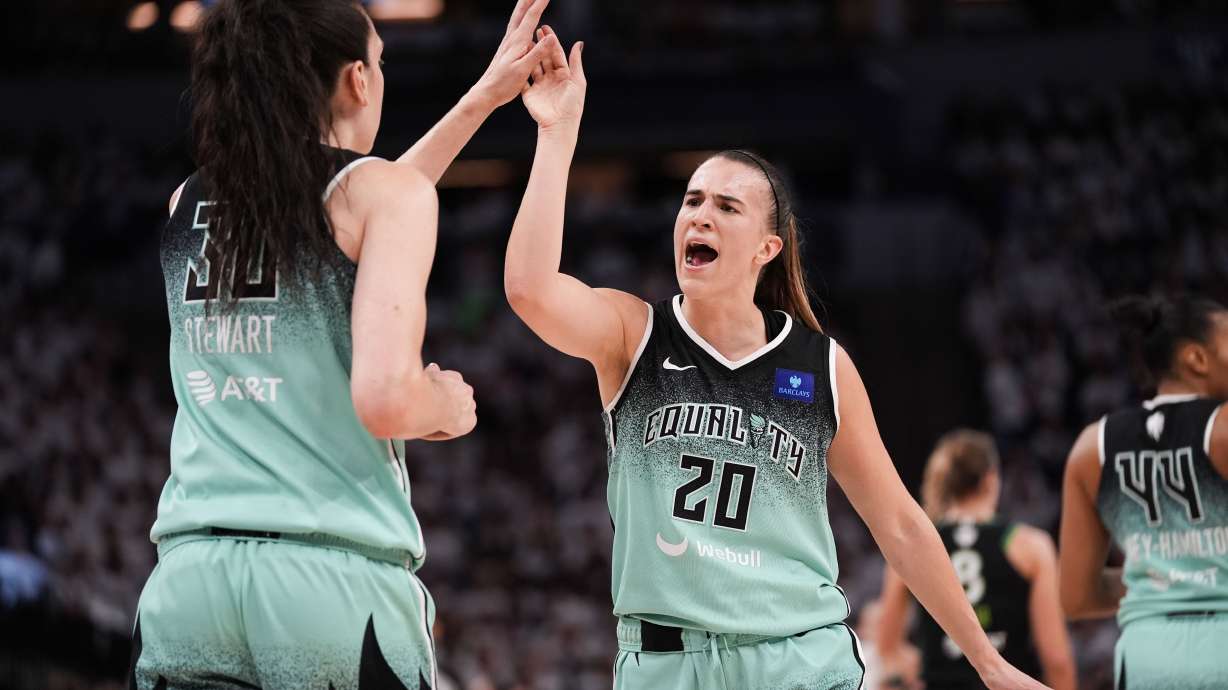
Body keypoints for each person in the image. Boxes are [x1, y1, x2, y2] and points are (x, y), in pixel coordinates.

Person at [502, 25, 1050, 690]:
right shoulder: (633, 333)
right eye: (692, 201)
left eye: (726, 207)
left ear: (767, 248)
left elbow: (901, 524)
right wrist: (556, 136)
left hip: (798, 656)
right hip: (667, 665)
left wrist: (989, 665)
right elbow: (530, 290)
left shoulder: (821, 366)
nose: (698, 216)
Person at [128, 0, 559, 687]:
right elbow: (387, 398)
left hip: (188, 588)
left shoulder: (189, 200)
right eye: (381, 62)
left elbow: (355, 201)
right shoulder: (380, 197)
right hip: (326, 587)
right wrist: (444, 403)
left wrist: (482, 99)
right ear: (358, 79)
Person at [1059, 294, 1228, 689]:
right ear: (1197, 359)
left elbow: (1075, 597)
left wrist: (1160, 576)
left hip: (1145, 657)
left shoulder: (1090, 446)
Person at [878, 430, 1076, 690]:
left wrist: (932, 665)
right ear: (991, 479)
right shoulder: (1030, 546)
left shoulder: (915, 544)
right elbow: (1056, 659)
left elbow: (887, 648)